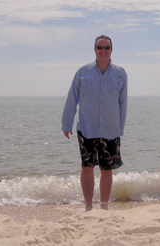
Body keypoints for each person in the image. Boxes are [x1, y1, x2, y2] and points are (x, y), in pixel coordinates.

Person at [61, 35, 128, 211]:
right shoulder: (83, 72)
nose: (103, 51)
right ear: (94, 49)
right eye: (100, 47)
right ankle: (89, 207)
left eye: (106, 47)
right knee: (87, 167)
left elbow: (123, 102)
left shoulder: (121, 73)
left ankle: (104, 206)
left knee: (107, 169)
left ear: (112, 50)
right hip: (86, 128)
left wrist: (120, 127)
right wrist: (66, 123)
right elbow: (72, 97)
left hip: (111, 129)